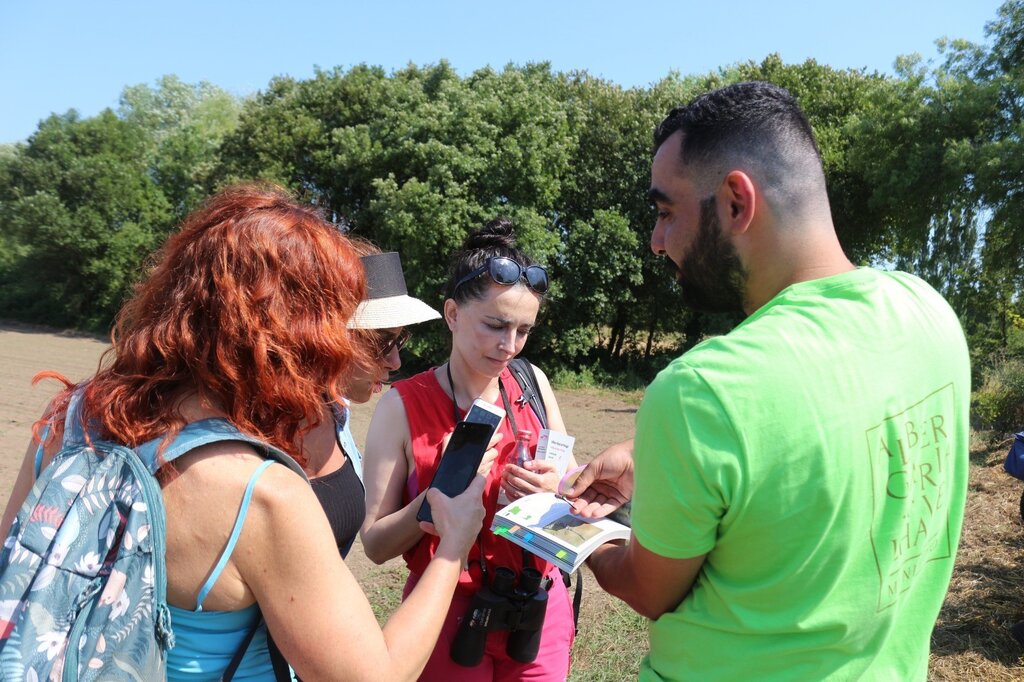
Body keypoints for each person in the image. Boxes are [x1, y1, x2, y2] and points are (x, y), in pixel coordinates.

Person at [0, 185, 487, 681]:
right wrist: (452, 545)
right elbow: (372, 677)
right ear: (297, 332)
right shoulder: (263, 493)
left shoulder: (73, 414)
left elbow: (12, 571)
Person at [568, 81, 971, 680]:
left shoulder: (702, 388)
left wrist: (586, 533)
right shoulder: (929, 313)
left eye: (664, 212)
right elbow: (822, 453)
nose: (656, 242)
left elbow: (648, 590)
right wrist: (664, 459)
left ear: (735, 201)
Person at [361, 218, 578, 680]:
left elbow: (572, 490)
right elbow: (375, 544)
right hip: (443, 612)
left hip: (536, 608)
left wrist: (554, 488)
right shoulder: (401, 406)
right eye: (496, 326)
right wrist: (436, 496)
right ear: (453, 314)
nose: (509, 346)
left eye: (523, 331)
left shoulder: (531, 381)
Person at [304, 245, 441, 558]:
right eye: (382, 343)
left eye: (400, 340)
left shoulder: (337, 411)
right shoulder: (278, 430)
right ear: (329, 336)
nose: (395, 361)